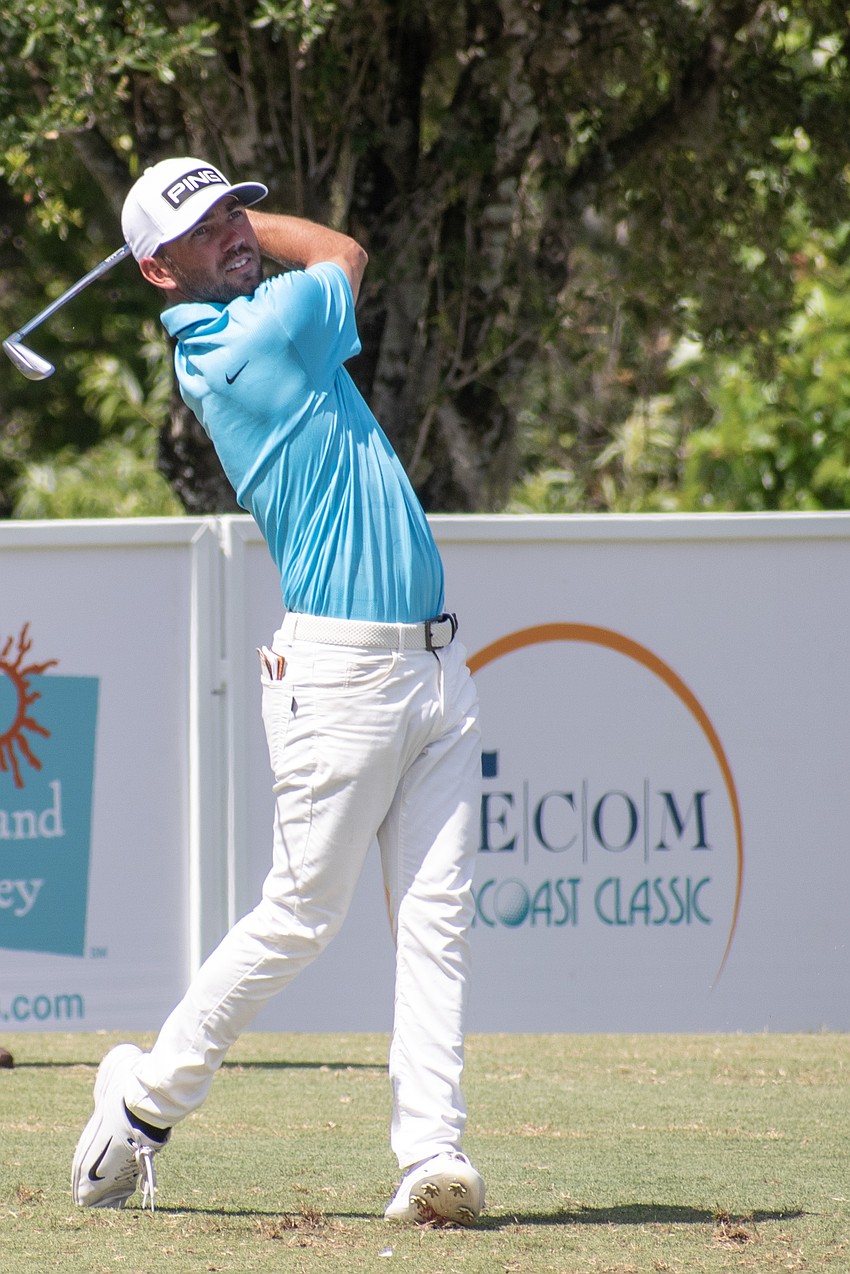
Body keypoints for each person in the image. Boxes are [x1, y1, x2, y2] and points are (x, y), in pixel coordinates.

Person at [70, 157, 484, 1227]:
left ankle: (431, 1154)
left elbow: (305, 256)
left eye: (234, 211)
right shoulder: (247, 338)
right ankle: (143, 1102)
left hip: (437, 662)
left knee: (437, 920)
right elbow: (342, 249)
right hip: (342, 674)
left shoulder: (257, 312)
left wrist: (226, 224)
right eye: (204, 231)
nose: (235, 235)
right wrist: (265, 232)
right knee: (301, 915)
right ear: (156, 273)